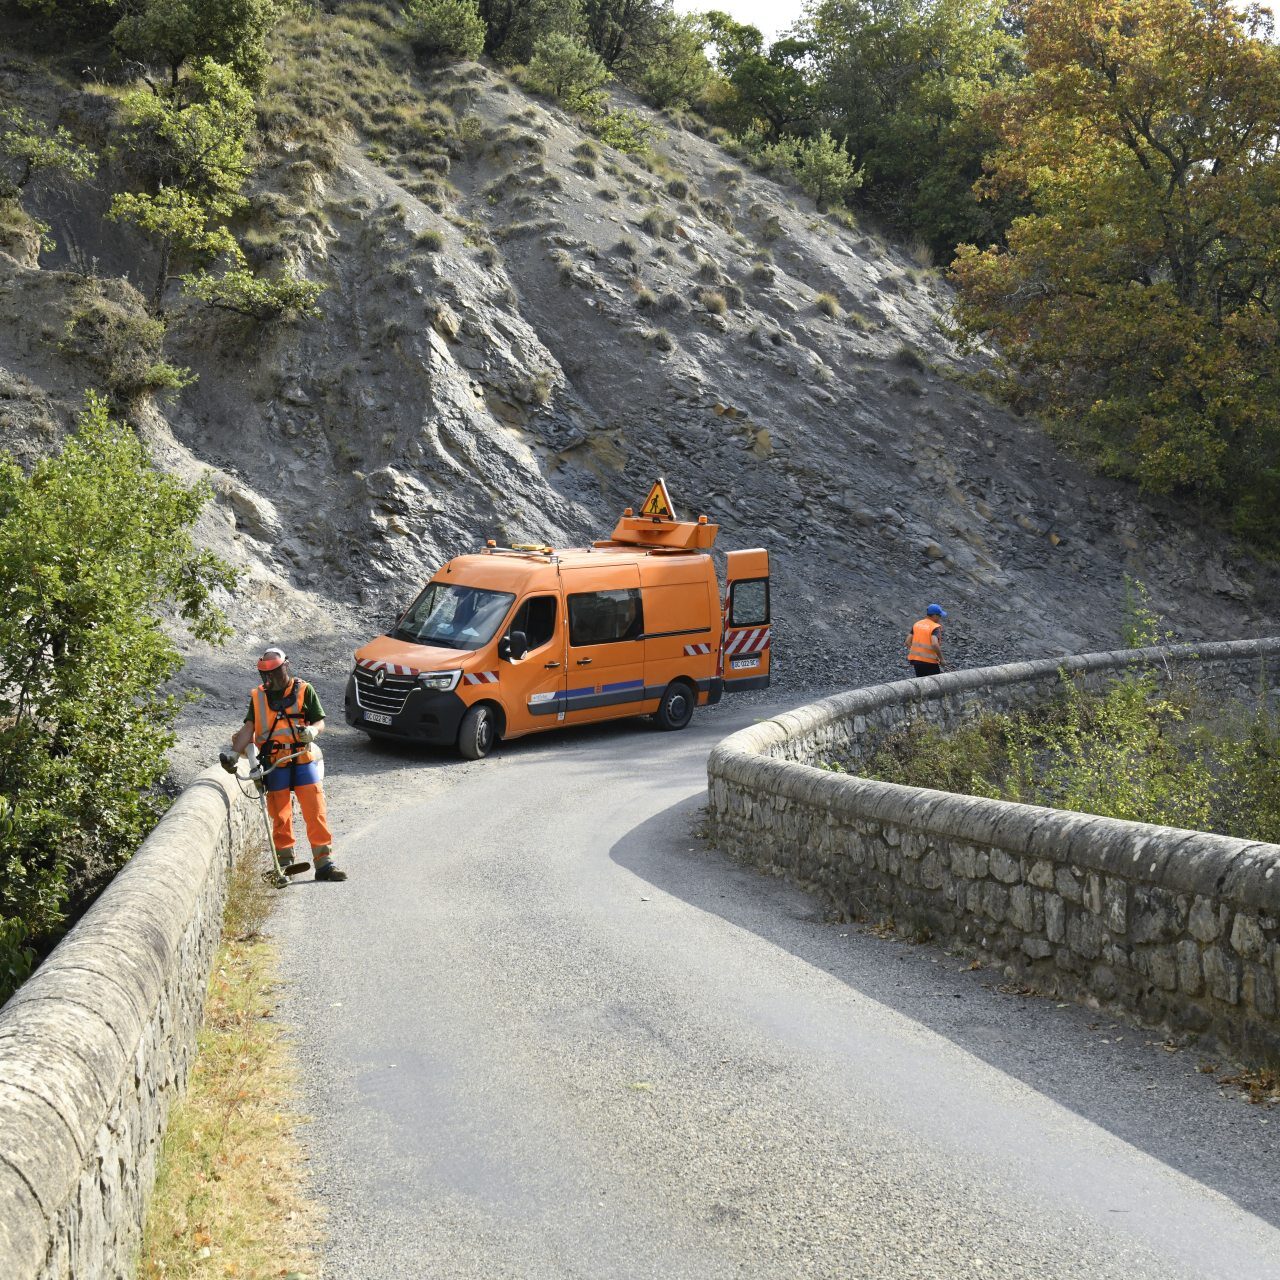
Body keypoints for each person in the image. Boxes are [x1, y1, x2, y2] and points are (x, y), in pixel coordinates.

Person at [223, 647, 346, 882]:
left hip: (301, 758)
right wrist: (233, 754)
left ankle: (324, 863)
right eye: (266, 674)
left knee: (315, 810)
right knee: (280, 815)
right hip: (274, 762)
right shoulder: (258, 696)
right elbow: (248, 728)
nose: (270, 678)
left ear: (285, 667)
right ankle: (284, 864)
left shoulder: (305, 690)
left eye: (275, 673)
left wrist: (312, 731)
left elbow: (320, 722)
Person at [906, 604, 946, 677]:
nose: (940, 618)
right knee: (934, 682)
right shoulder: (934, 627)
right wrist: (941, 659)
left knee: (921, 682)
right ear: (934, 615)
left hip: (916, 662)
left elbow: (907, 642)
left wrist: (917, 652)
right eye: (939, 616)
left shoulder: (917, 624)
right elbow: (934, 644)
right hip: (930, 663)